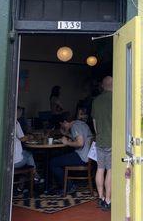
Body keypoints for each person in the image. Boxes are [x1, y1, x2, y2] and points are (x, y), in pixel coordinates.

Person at [49, 113, 93, 194]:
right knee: (59, 158)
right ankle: (66, 184)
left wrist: (66, 143)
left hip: (82, 157)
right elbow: (79, 138)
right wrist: (66, 134)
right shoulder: (81, 124)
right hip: (88, 156)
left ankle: (69, 186)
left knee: (53, 162)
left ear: (65, 122)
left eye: (62, 125)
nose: (62, 127)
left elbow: (80, 143)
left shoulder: (75, 126)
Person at [91, 76, 113, 212]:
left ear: (103, 86)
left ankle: (100, 196)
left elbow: (94, 123)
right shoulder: (116, 99)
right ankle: (108, 200)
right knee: (110, 170)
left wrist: (99, 134)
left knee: (100, 168)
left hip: (100, 140)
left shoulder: (96, 100)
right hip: (112, 140)